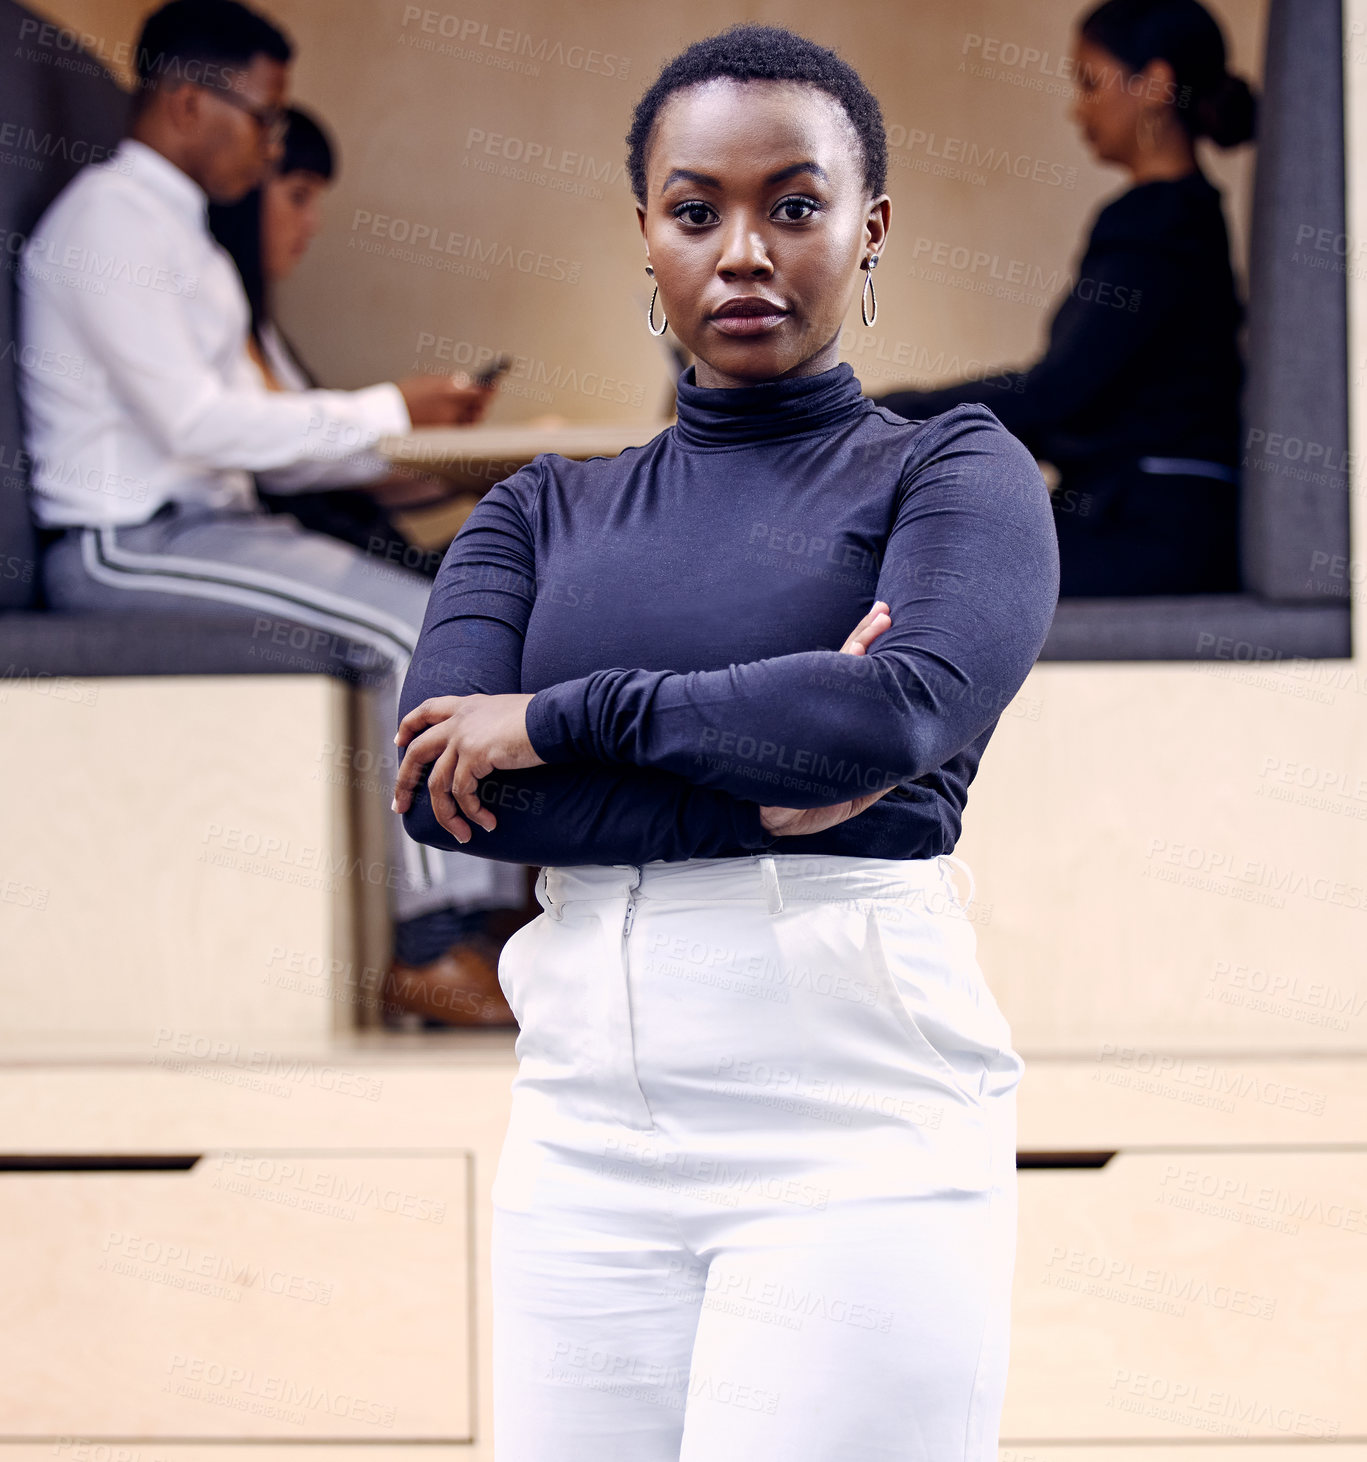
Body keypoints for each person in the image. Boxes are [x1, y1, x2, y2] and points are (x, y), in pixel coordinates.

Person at [392, 24, 1059, 1460]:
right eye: (695, 210)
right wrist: (769, 791)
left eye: (793, 205)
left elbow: (891, 711)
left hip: (859, 1139)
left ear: (866, 227)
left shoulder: (951, 469)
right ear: (645, 234)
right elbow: (449, 802)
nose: (741, 249)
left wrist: (558, 723)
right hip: (582, 1146)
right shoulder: (531, 513)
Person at [17, 0, 523, 1025]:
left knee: (460, 615)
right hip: (127, 540)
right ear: (187, 101)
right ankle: (431, 945)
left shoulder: (188, 245)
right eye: (265, 116)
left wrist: (429, 447)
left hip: (206, 525)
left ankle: (491, 919)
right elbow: (201, 427)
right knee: (410, 632)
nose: (272, 142)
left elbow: (259, 437)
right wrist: (390, 410)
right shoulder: (110, 220)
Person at [874, 0, 1257, 597]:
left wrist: (881, 418)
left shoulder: (1157, 222)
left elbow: (1056, 396)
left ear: (1155, 84)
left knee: (905, 572)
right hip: (1151, 516)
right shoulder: (1186, 216)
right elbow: (1080, 404)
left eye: (1089, 82)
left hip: (1148, 532)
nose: (1078, 109)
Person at [207, 104, 458, 573]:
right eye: (298, 197)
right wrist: (397, 406)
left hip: (361, 542)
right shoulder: (221, 326)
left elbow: (333, 474)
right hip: (323, 552)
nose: (313, 223)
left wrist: (476, 469)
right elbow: (284, 465)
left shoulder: (265, 332)